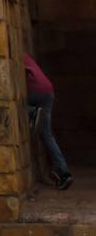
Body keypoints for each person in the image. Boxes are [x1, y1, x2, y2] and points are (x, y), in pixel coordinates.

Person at [24, 52, 73, 189]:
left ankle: (32, 111)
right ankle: (63, 172)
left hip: (34, 91)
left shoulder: (16, 55)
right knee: (47, 135)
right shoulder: (27, 56)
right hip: (48, 91)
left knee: (13, 107)